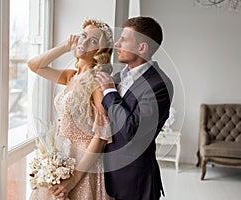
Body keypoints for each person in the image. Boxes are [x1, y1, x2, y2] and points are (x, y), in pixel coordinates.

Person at [27, 19, 114, 200]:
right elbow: (34, 65)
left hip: (84, 162)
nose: (84, 42)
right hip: (64, 156)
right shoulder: (71, 76)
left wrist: (74, 179)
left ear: (100, 51)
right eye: (83, 36)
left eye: (93, 41)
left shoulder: (97, 80)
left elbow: (102, 136)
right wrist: (65, 47)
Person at [95, 16, 174, 200]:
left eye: (124, 39)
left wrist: (109, 92)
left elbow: (133, 131)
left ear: (142, 48)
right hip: (104, 177)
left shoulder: (159, 85)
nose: (117, 43)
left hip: (133, 182)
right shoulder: (117, 77)